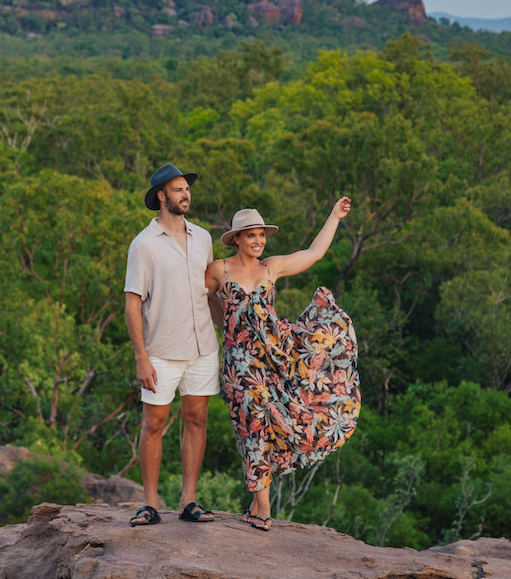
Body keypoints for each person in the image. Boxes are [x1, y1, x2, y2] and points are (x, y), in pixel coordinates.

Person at [205, 197, 360, 532]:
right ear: (237, 239)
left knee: (272, 422)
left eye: (262, 235)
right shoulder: (220, 269)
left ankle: (256, 503)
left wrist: (334, 215)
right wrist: (225, 325)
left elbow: (314, 254)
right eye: (251, 236)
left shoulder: (270, 267)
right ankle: (263, 505)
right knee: (251, 421)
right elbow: (199, 296)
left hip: (275, 356)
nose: (258, 241)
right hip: (240, 363)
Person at [124, 163, 219, 526]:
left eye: (187, 189)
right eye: (178, 190)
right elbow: (133, 303)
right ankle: (149, 504)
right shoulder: (143, 245)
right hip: (160, 350)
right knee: (154, 424)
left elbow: (209, 292)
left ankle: (188, 502)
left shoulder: (204, 238)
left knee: (197, 420)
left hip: (202, 348)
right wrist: (141, 358)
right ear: (162, 196)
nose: (186, 195)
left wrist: (232, 326)